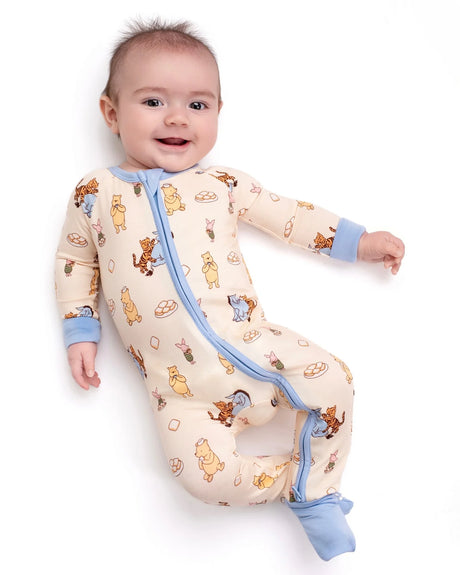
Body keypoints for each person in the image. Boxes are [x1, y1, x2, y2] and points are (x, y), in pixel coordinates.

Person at [55, 18, 404, 561]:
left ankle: (317, 491)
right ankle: (302, 485)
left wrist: (359, 242)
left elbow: (289, 217)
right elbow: (76, 259)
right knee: (201, 479)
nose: (177, 117)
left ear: (218, 112)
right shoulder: (94, 193)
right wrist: (81, 329)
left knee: (334, 380)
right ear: (111, 112)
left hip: (255, 346)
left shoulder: (221, 184)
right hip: (177, 392)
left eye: (198, 104)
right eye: (153, 101)